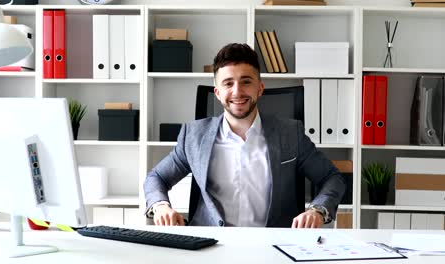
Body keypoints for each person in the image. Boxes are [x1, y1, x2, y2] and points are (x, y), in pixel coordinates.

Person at [144, 43, 346, 228]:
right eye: (228, 83)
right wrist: (161, 206)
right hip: (211, 246)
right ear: (217, 92)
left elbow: (332, 178)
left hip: (273, 247)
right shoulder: (194, 136)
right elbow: (157, 177)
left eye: (246, 81)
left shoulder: (290, 134)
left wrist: (316, 210)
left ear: (260, 88)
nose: (237, 91)